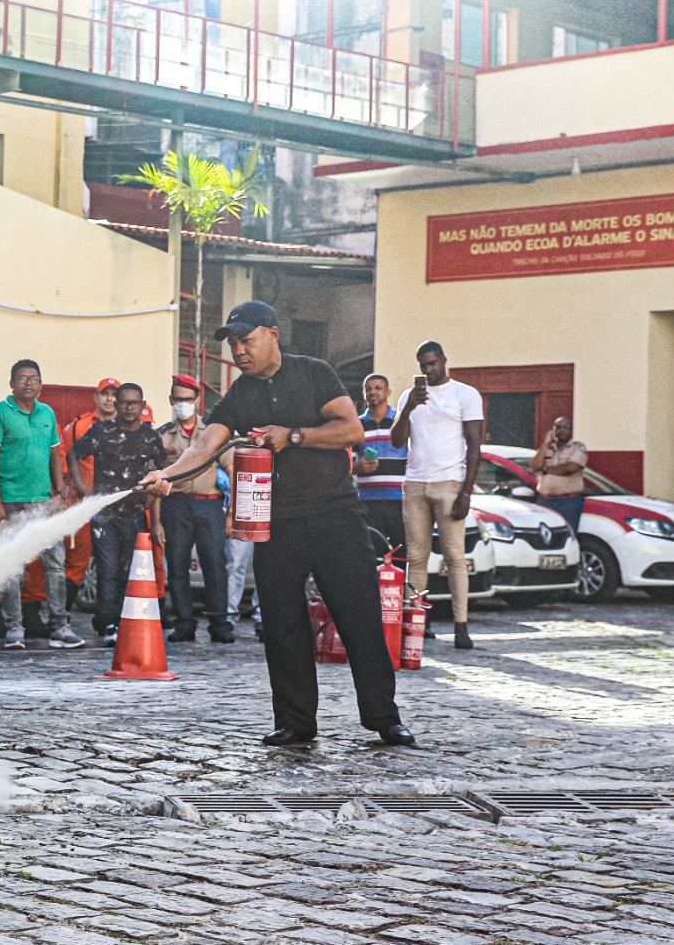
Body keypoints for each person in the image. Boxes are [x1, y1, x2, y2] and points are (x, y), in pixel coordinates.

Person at [143, 301, 413, 747]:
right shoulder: (240, 395)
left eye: (246, 340)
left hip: (335, 514)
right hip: (277, 522)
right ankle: (295, 721)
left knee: (359, 616)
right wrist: (165, 476)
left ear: (272, 334)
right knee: (283, 624)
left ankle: (384, 718)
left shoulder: (314, 372)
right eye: (233, 343)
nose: (239, 351)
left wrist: (292, 435)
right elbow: (204, 446)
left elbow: (351, 431)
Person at [0, 359, 84, 650]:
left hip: (44, 502)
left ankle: (60, 626)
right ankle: (14, 628)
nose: (28, 383)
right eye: (22, 378)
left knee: (55, 563)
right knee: (13, 565)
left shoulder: (47, 413)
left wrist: (59, 490)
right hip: (11, 501)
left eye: (34, 378)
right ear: (12, 383)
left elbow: (55, 454)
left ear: (40, 384)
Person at [391, 341, 483, 650]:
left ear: (443, 360)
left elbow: (474, 447)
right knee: (416, 558)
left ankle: (461, 626)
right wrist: (409, 407)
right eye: (423, 365)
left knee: (455, 557)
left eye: (433, 363)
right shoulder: (409, 396)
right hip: (415, 483)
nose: (429, 370)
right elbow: (396, 440)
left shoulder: (464, 394)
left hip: (449, 483)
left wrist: (466, 492)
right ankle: (413, 625)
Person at [68, 383, 164, 646]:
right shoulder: (102, 431)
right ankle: (109, 624)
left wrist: (155, 520)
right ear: (117, 405)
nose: (130, 407)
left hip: (135, 514)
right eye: (124, 402)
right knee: (107, 571)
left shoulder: (151, 437)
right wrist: (81, 487)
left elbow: (160, 476)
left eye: (135, 403)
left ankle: (121, 621)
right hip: (105, 515)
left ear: (143, 406)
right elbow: (73, 453)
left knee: (127, 572)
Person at [156, 374, 234, 644]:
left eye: (188, 399)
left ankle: (219, 624)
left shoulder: (214, 432)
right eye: (178, 399)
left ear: (198, 401)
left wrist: (232, 512)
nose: (183, 404)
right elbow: (156, 479)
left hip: (209, 504)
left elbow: (232, 467)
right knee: (177, 568)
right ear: (170, 400)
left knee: (215, 566)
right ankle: (184, 624)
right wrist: (156, 521)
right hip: (175, 506)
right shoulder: (163, 435)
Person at [59, 379, 121, 608]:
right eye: (105, 394)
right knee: (76, 560)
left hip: (115, 506)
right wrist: (75, 490)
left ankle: (108, 618)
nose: (110, 399)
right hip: (83, 504)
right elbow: (64, 459)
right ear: (96, 397)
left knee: (114, 562)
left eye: (115, 394)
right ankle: (62, 615)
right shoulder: (78, 427)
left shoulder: (128, 427)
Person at [354, 374, 407, 555]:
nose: (372, 392)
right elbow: (347, 462)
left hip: (399, 500)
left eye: (377, 388)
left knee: (401, 553)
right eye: (368, 389)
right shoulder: (356, 425)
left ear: (388, 392)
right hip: (368, 501)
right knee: (371, 553)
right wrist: (357, 467)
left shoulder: (400, 422)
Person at [531, 416, 588, 530]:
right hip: (545, 500)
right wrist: (545, 443)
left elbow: (570, 468)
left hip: (567, 502)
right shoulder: (547, 447)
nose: (561, 430)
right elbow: (535, 466)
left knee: (567, 535)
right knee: (543, 537)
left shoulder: (578, 448)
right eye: (558, 427)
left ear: (571, 430)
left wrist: (545, 470)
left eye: (565, 428)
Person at [225, 536, 262, 641]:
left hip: (273, 520)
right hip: (243, 520)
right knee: (234, 564)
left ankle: (263, 618)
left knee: (268, 564)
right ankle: (228, 617)